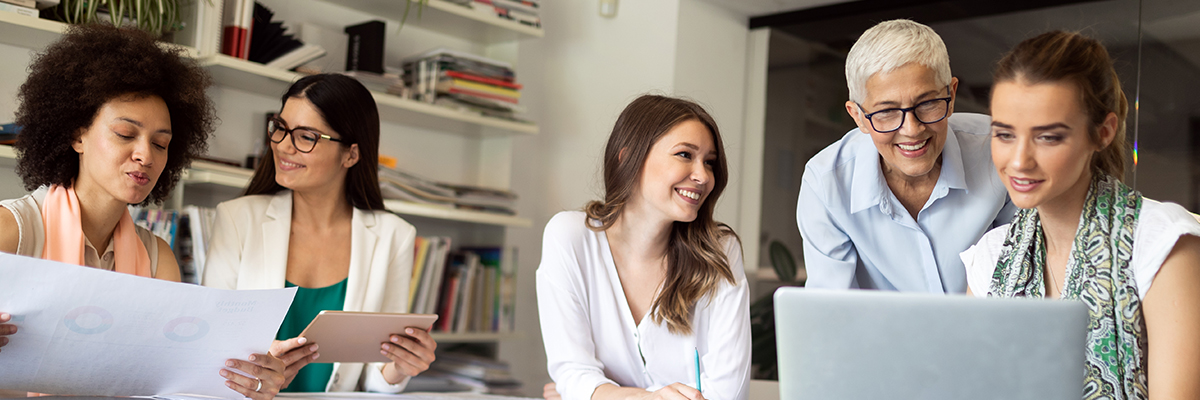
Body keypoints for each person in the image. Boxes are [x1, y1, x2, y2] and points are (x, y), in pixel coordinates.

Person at [0, 24, 286, 399]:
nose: (145, 155)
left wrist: (247, 379)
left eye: (161, 143)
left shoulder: (158, 260)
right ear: (77, 135)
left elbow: (171, 381)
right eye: (125, 134)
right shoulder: (11, 231)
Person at [961, 31, 1200, 399]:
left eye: (1048, 137)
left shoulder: (1160, 242)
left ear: (1103, 132)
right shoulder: (991, 257)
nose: (1019, 161)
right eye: (1005, 135)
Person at [202, 73, 436, 393]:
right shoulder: (237, 220)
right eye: (281, 128)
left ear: (351, 154)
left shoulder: (394, 236)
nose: (284, 146)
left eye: (306, 136)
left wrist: (399, 367)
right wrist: (259, 367)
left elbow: (373, 373)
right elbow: (211, 345)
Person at [537, 95, 751, 400]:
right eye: (684, 155)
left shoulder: (720, 252)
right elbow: (572, 371)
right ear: (628, 159)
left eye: (709, 162)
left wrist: (603, 394)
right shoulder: (570, 237)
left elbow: (728, 394)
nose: (703, 176)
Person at [796, 19, 1016, 293]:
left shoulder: (999, 149)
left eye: (927, 104)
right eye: (887, 112)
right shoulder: (827, 183)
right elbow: (830, 313)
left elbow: (1025, 272)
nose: (912, 130)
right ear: (859, 117)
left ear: (952, 95)